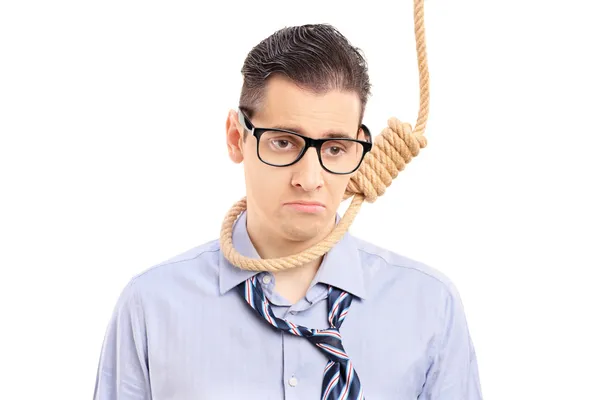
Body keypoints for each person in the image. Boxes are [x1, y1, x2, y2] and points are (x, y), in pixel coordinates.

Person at [93, 23, 483, 399]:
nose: (309, 178)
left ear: (360, 147)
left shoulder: (430, 307)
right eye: (283, 142)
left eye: (335, 149)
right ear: (236, 137)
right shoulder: (151, 306)